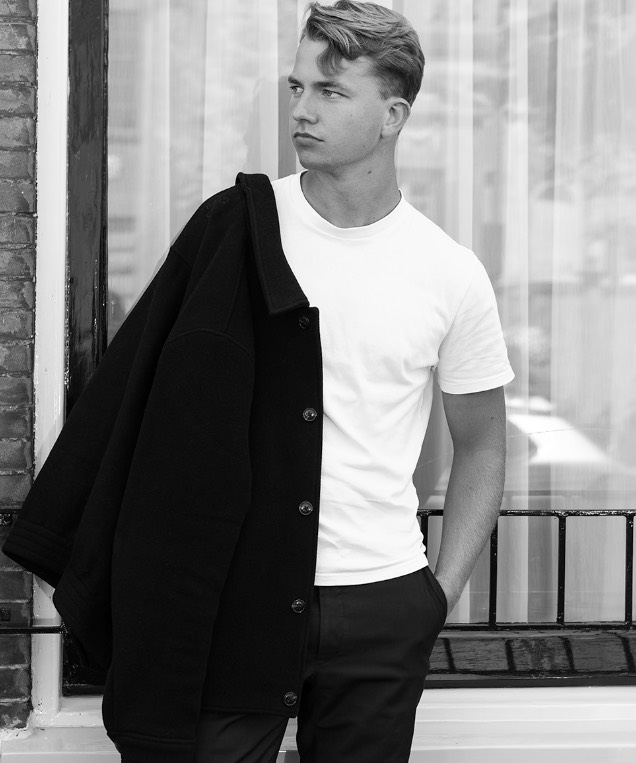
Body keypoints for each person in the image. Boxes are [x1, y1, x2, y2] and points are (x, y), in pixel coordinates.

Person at [3, 2, 513, 761]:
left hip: (378, 603)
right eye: (296, 87)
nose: (301, 110)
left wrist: (436, 595)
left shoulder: (450, 273)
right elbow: (139, 402)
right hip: (233, 598)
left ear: (393, 115)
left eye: (331, 91)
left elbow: (482, 444)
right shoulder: (233, 228)